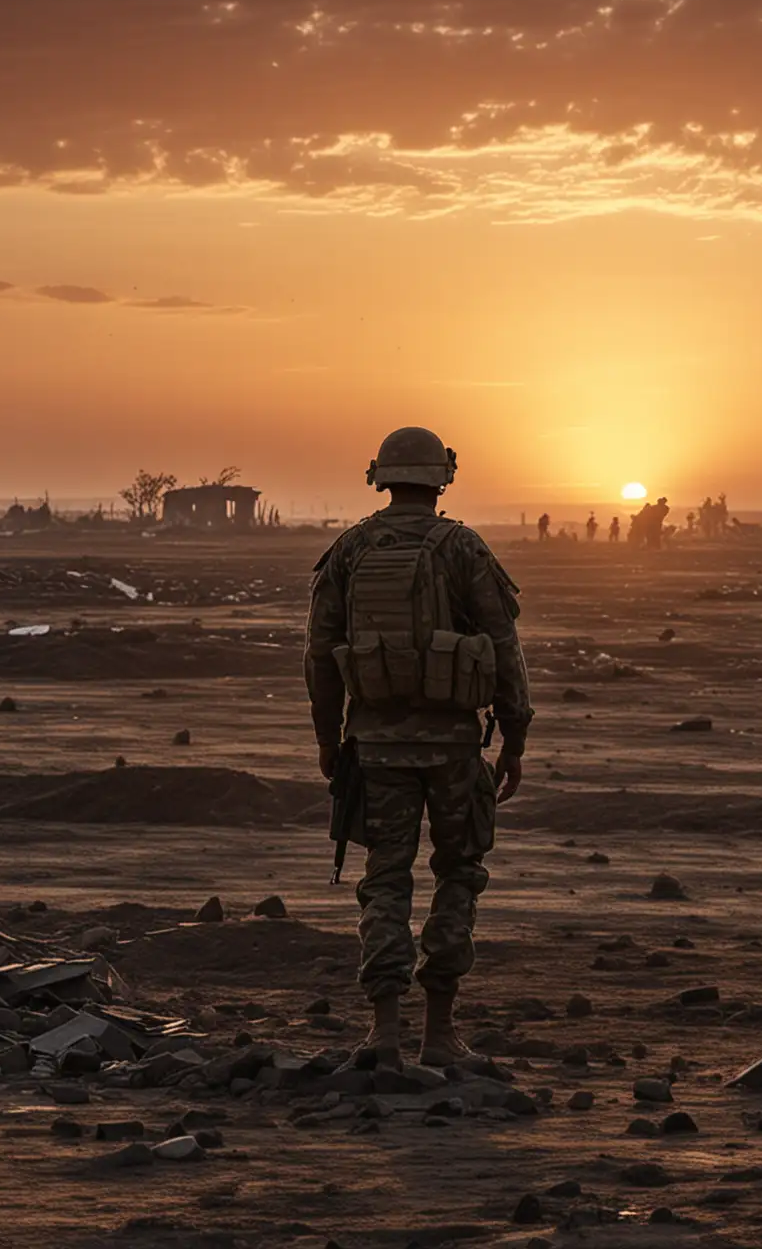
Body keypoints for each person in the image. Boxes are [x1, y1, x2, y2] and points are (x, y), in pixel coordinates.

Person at [305, 426, 534, 1070]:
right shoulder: (463, 548)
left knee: (385, 879)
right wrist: (515, 736)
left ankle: (382, 1032)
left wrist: (329, 739)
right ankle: (439, 1029)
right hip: (455, 746)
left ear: (380, 476)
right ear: (442, 478)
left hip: (375, 747)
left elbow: (320, 657)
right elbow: (504, 647)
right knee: (458, 873)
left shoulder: (349, 550)